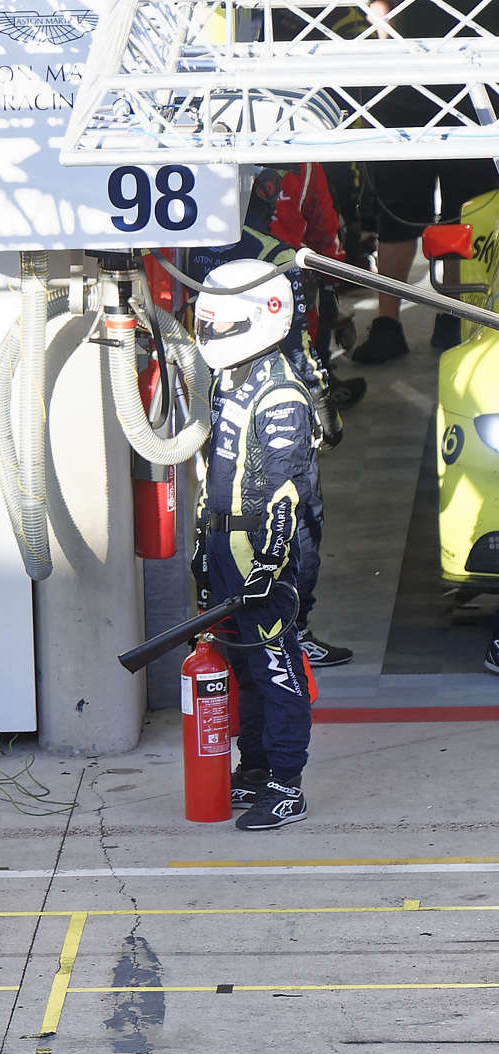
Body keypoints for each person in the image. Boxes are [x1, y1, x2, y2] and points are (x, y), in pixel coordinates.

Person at [350, 0, 499, 365]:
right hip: (403, 100)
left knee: (465, 211)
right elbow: (366, 10)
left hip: (475, 102)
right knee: (396, 216)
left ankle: (454, 314)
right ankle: (387, 322)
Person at [193, 259, 319, 833]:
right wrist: (202, 543)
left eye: (222, 326)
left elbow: (286, 490)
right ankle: (257, 766)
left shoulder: (281, 394)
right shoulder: (230, 379)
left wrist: (271, 560)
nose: (212, 336)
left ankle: (286, 786)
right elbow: (210, 474)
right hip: (224, 547)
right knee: (245, 669)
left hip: (257, 554)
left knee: (276, 665)